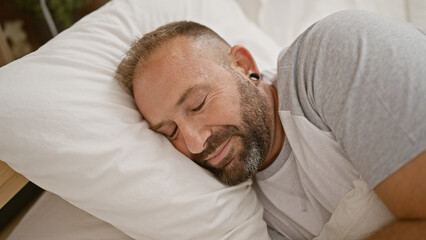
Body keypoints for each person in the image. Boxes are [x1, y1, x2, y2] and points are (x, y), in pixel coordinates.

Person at [115, 10, 426, 240]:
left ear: (244, 66)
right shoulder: (247, 216)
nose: (194, 142)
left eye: (198, 104)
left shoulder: (328, 55)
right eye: (170, 131)